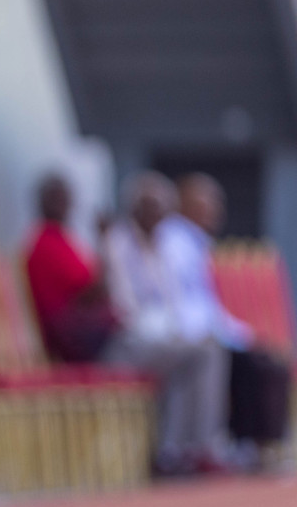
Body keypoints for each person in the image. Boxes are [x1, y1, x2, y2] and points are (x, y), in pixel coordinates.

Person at [100, 172, 231, 475]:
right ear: (133, 209)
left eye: (159, 209)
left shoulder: (164, 246)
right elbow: (124, 307)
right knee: (199, 354)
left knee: (203, 353)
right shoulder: (116, 243)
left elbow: (175, 301)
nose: (153, 215)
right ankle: (182, 447)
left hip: (164, 337)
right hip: (130, 341)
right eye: (147, 207)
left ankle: (188, 448)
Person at [159, 174, 290, 456]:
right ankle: (212, 445)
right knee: (244, 363)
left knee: (267, 362)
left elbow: (210, 306)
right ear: (185, 202)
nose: (216, 210)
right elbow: (183, 305)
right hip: (188, 333)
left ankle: (259, 447)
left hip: (209, 330)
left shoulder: (197, 243)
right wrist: (229, 335)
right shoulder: (172, 241)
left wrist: (241, 334)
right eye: (208, 201)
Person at [24, 172, 117, 363]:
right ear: (42, 203)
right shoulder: (45, 243)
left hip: (81, 330)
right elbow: (93, 292)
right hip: (66, 336)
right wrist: (104, 240)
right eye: (55, 198)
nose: (62, 204)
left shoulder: (64, 239)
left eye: (65, 198)